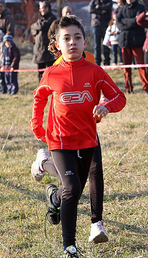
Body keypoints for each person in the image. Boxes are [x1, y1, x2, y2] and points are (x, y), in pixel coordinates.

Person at [30, 15, 126, 258]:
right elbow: (39, 98)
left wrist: (106, 107)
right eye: (67, 38)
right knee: (72, 188)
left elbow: (119, 97)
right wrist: (37, 126)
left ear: (85, 42)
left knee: (72, 190)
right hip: (60, 140)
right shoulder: (51, 73)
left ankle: (52, 194)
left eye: (77, 37)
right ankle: (69, 247)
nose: (72, 42)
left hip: (88, 140)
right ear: (58, 45)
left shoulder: (95, 71)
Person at [116, 0, 148, 94]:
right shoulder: (122, 9)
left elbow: (138, 21)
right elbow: (118, 23)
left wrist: (126, 21)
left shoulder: (141, 7)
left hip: (137, 41)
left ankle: (146, 87)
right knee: (126, 68)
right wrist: (132, 21)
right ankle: (128, 88)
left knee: (141, 66)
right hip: (125, 42)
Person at [30, 1, 57, 83]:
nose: (40, 10)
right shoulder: (40, 19)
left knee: (50, 73)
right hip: (39, 51)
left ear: (47, 8)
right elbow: (32, 28)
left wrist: (37, 26)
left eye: (41, 8)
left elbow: (42, 26)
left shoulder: (52, 18)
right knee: (40, 74)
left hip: (48, 52)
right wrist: (36, 28)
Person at [89, 0, 113, 66]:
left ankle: (107, 61)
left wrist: (97, 7)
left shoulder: (108, 0)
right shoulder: (94, 0)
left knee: (106, 43)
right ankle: (97, 61)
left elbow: (108, 7)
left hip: (106, 24)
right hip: (96, 25)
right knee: (97, 45)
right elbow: (91, 9)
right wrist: (102, 11)